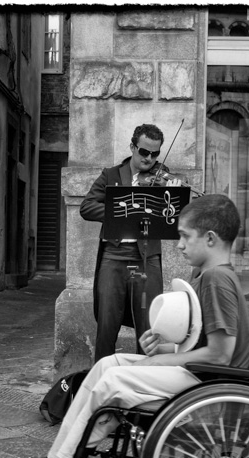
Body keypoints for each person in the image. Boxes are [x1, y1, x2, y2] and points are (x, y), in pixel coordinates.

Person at [22, 194, 249, 458]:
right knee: (107, 364)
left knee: (114, 381)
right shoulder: (207, 275)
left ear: (210, 238)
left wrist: (165, 361)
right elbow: (204, 341)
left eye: (185, 237)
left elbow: (222, 353)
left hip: (211, 380)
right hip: (202, 373)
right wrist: (165, 349)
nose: (179, 244)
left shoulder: (216, 279)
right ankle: (60, 457)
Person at [80, 124, 169, 363]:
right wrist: (123, 208)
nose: (149, 159)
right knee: (107, 325)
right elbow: (87, 207)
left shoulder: (162, 177)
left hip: (146, 257)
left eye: (155, 154)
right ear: (132, 147)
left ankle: (145, 382)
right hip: (114, 256)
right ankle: (101, 380)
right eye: (143, 152)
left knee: (149, 325)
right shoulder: (111, 175)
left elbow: (175, 209)